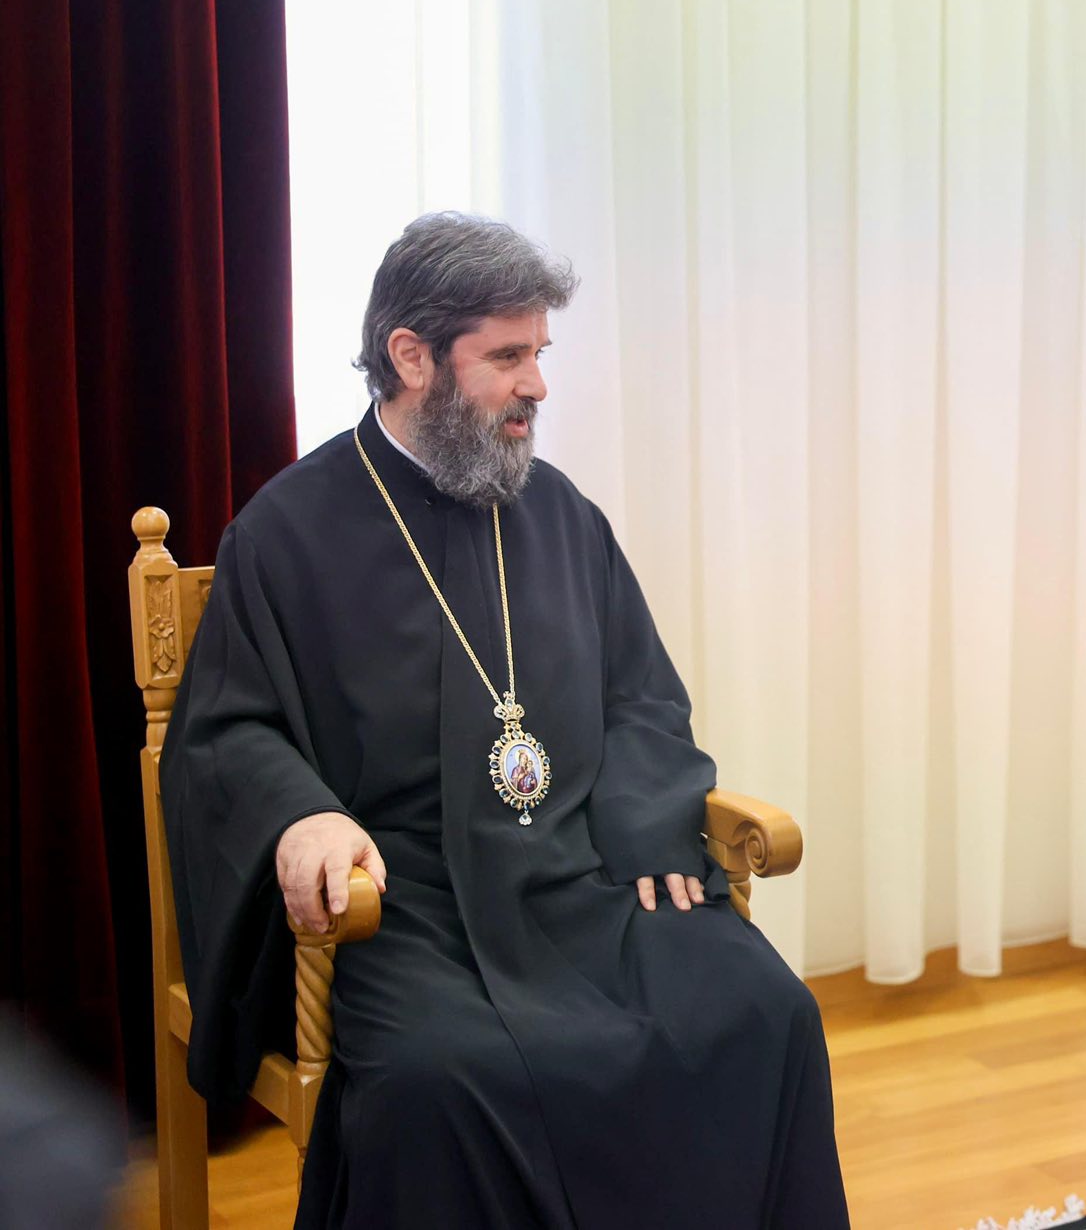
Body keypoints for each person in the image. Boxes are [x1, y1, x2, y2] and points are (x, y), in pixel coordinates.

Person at [163, 213, 849, 1229]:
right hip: (404, 906)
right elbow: (228, 732)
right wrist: (302, 815)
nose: (537, 384)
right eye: (507, 357)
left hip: (579, 876)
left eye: (540, 353)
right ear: (411, 357)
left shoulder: (561, 515)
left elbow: (640, 696)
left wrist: (647, 816)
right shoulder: (285, 533)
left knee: (765, 1011)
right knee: (435, 1083)